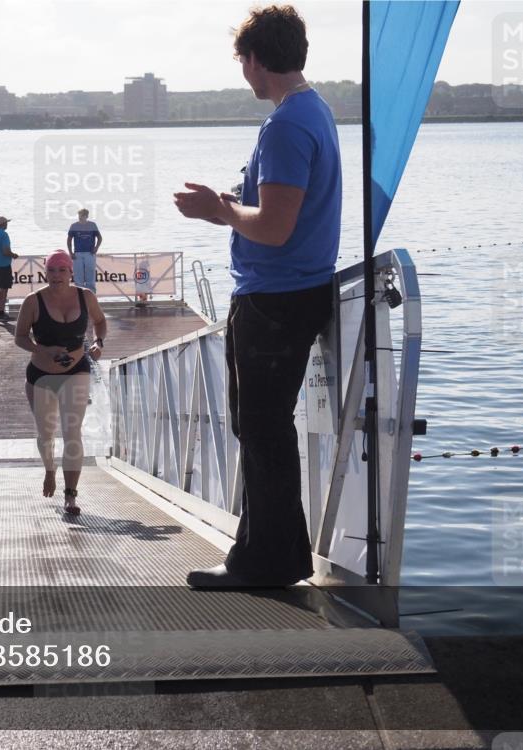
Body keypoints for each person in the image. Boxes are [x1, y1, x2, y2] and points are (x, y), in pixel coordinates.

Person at [173, 4, 340, 588]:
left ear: (256, 59)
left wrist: (221, 209)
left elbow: (273, 228)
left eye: (241, 59)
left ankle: (263, 563)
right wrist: (224, 210)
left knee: (262, 428)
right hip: (293, 291)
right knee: (266, 428)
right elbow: (274, 217)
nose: (241, 71)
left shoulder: (287, 125)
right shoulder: (314, 112)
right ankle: (279, 554)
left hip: (274, 300)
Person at [15, 250, 107, 515]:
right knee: (46, 434)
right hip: (41, 375)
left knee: (72, 432)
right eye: (52, 271)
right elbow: (20, 337)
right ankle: (49, 470)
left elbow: (100, 322)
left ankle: (71, 496)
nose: (56, 276)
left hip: (76, 370)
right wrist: (43, 350)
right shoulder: (33, 301)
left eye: (62, 270)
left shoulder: (85, 296)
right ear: (45, 273)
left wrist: (99, 342)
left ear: (71, 273)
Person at [66, 208, 102, 293]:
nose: (80, 217)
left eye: (82, 215)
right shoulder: (74, 226)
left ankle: (91, 295)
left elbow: (99, 238)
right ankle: (79, 296)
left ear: (86, 216)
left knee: (90, 276)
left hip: (90, 253)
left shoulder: (92, 225)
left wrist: (96, 248)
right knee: (78, 277)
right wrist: (70, 252)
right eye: (79, 215)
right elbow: (69, 240)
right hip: (77, 253)